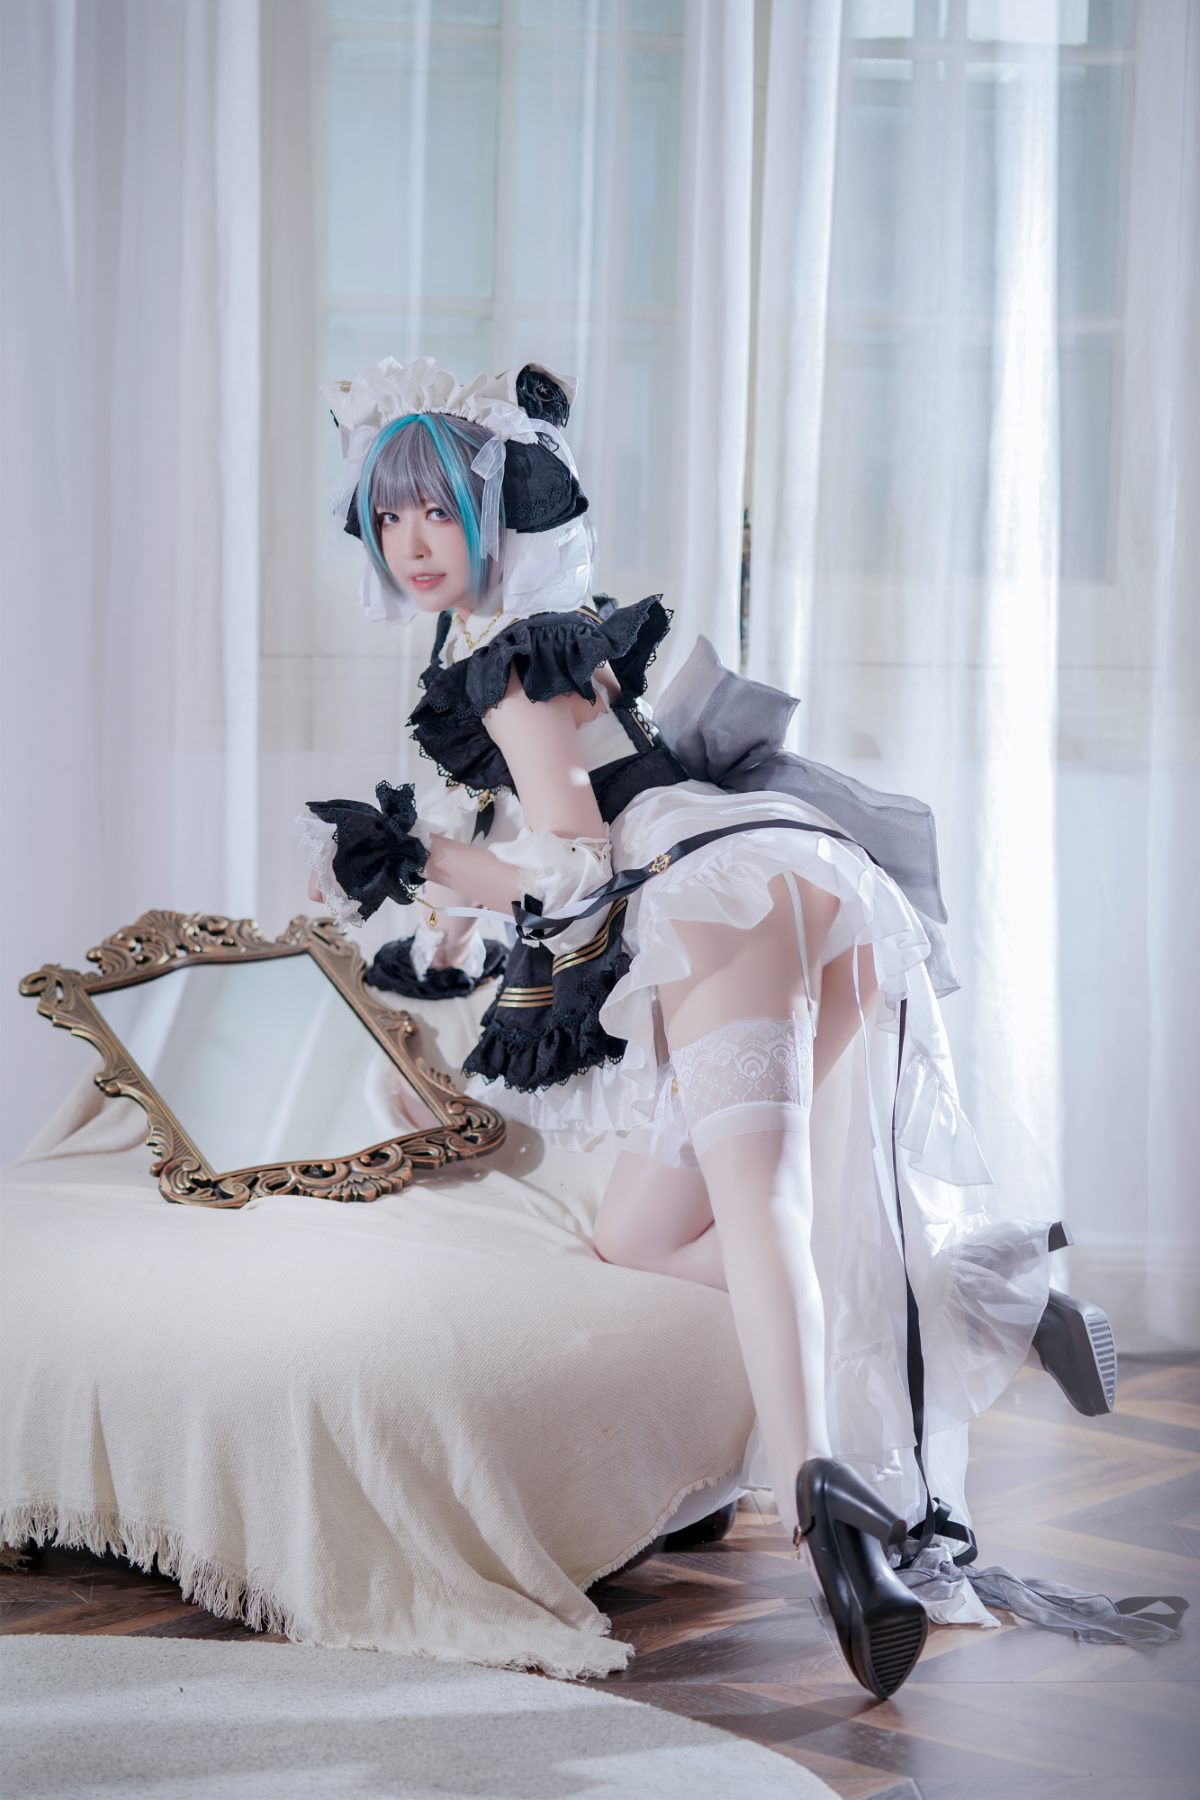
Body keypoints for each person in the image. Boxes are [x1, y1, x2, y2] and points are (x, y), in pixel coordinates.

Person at [295, 355, 1165, 1699]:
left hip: (723, 897)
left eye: (436, 510)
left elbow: (573, 865)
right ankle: (986, 1291)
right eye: (387, 514)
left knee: (764, 1210)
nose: (411, 542)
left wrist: (423, 865)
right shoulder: (527, 638)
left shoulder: (512, 669)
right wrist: (433, 900)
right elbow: (570, 852)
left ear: (492, 509)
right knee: (640, 1234)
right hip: (776, 887)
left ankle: (834, 1517)